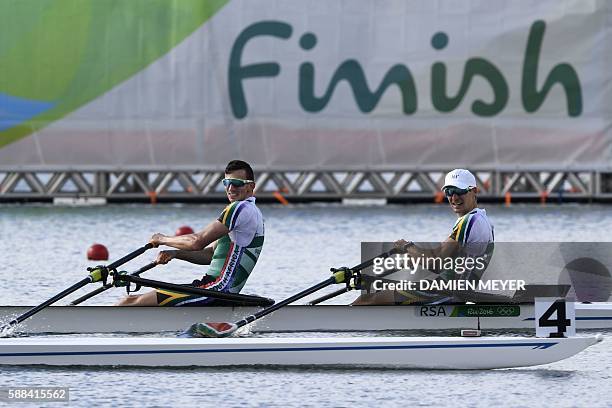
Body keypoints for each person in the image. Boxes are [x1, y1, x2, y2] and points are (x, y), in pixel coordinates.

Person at [116, 160, 265, 306]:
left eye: (237, 183)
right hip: (216, 289)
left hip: (217, 290)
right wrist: (176, 254)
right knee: (135, 299)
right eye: (226, 183)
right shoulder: (252, 212)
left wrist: (162, 239)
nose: (230, 188)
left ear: (250, 186)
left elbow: (197, 241)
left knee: (128, 302)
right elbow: (211, 255)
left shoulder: (239, 208)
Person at [353, 168, 494, 305]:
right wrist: (417, 259)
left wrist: (408, 247)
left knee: (366, 300)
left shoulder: (470, 221)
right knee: (381, 292)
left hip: (445, 293)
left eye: (459, 191)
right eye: (449, 192)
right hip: (450, 291)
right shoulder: (482, 219)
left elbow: (437, 262)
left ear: (474, 191)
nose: (454, 197)